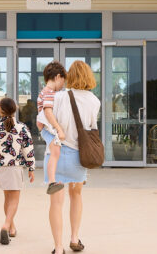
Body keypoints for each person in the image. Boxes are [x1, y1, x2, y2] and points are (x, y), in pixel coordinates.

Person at [47, 60, 100, 254]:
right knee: (76, 195)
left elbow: (46, 123)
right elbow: (91, 128)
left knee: (56, 201)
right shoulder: (95, 101)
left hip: (58, 153)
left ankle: (58, 247)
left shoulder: (59, 97)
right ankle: (74, 238)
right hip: (80, 155)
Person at [0, 97, 35, 245]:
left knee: (7, 198)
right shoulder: (22, 127)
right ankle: (6, 225)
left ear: (0, 110)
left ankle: (11, 228)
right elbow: (28, 150)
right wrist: (31, 168)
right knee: (14, 199)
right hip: (15, 166)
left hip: (0, 167)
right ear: (14, 110)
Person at [36, 61, 67, 195]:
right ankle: (51, 181)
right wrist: (59, 129)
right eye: (63, 81)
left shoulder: (45, 91)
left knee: (54, 152)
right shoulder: (49, 92)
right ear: (58, 77)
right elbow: (48, 112)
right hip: (48, 128)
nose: (62, 85)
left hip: (46, 128)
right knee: (54, 152)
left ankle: (52, 180)